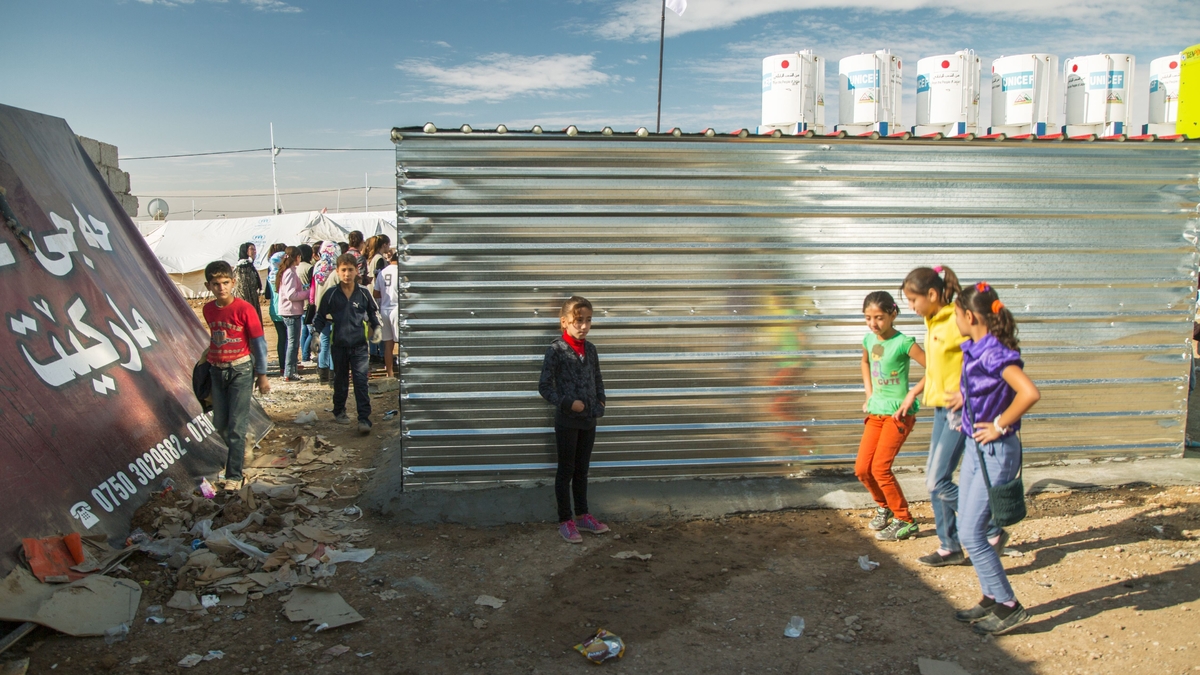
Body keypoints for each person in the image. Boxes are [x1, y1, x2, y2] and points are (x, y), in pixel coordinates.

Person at [950, 281, 1040, 635]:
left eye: (956, 314)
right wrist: (963, 400)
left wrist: (1000, 424)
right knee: (965, 527)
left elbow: (1029, 392)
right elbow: (986, 389)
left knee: (972, 534)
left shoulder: (993, 352)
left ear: (970, 316)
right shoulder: (976, 347)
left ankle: (1008, 605)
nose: (954, 320)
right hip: (976, 445)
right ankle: (990, 596)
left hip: (995, 449)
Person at [901, 266, 1003, 567]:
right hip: (939, 408)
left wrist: (968, 393)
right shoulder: (931, 319)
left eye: (913, 299)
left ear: (932, 295)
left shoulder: (954, 323)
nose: (910, 306)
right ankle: (950, 545)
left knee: (936, 480)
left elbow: (985, 357)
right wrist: (914, 392)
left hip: (959, 411)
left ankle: (990, 529)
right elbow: (935, 367)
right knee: (933, 476)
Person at [538, 296, 609, 544]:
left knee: (582, 471)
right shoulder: (556, 350)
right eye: (579, 321)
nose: (584, 326)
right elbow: (545, 387)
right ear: (565, 322)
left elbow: (597, 377)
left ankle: (583, 515)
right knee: (566, 470)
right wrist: (568, 403)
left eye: (588, 321)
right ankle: (565, 520)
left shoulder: (590, 349)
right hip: (567, 421)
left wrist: (601, 399)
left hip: (589, 419)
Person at [856, 291, 925, 542]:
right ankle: (884, 507)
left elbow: (936, 368)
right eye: (868, 318)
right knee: (863, 469)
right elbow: (865, 363)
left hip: (898, 415)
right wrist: (869, 394)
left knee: (880, 468)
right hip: (876, 412)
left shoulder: (904, 343)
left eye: (879, 318)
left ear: (893, 314)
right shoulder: (869, 340)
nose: (873, 323)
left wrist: (912, 394)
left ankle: (905, 520)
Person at [202, 260, 270, 486]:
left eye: (224, 283)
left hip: (240, 369)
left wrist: (261, 374)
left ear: (233, 282)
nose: (221, 288)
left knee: (236, 425)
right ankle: (241, 446)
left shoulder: (245, 309)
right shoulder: (208, 310)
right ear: (208, 285)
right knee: (220, 422)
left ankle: (233, 475)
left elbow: (258, 342)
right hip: (216, 370)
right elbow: (216, 337)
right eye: (215, 284)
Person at [313, 253, 381, 435]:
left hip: (359, 346)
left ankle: (364, 418)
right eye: (343, 270)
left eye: (350, 270)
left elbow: (373, 315)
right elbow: (320, 317)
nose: (347, 274)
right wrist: (315, 334)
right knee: (341, 381)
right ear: (337, 271)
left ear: (356, 271)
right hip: (339, 345)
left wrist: (377, 328)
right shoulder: (331, 294)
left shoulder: (364, 294)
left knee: (360, 382)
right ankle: (339, 410)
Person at [310, 242, 340, 385]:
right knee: (335, 344)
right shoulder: (335, 270)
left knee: (324, 341)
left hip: (320, 308)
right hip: (334, 311)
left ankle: (323, 374)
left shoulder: (317, 266)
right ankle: (334, 376)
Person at [275, 246, 307, 381]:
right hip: (291, 311)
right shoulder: (290, 273)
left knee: (292, 343)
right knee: (293, 343)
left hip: (291, 311)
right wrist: (308, 293)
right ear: (296, 257)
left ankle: (291, 370)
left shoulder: (289, 272)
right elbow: (291, 295)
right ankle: (289, 372)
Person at [373, 249, 400, 378]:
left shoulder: (382, 272)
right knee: (401, 342)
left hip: (384, 309)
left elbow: (375, 293)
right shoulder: (401, 272)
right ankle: (404, 370)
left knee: (388, 344)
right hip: (397, 308)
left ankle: (389, 372)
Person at [265, 248, 288, 376]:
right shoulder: (284, 275)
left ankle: (282, 366)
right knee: (289, 339)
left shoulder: (270, 276)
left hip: (274, 310)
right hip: (285, 309)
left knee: (281, 338)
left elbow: (267, 295)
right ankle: (289, 365)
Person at [233, 243, 262, 326]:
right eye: (251, 249)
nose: (254, 251)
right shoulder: (243, 267)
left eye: (255, 249)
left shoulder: (249, 265)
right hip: (246, 303)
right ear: (245, 251)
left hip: (252, 300)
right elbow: (242, 288)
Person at [297, 244, 315, 364]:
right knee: (312, 331)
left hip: (300, 303)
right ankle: (305, 355)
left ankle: (304, 355)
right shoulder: (309, 268)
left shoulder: (296, 267)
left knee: (304, 330)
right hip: (308, 302)